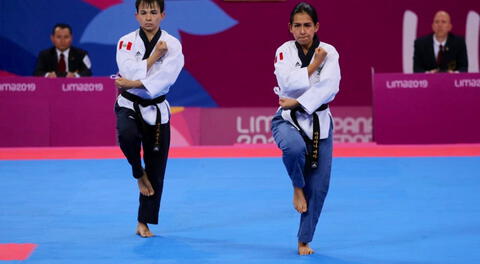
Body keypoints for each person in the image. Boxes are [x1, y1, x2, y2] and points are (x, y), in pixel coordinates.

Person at [271, 2, 340, 255]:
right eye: (297, 26)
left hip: (320, 123)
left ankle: (304, 240)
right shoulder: (283, 51)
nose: (302, 31)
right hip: (287, 119)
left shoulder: (329, 52)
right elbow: (286, 82)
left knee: (320, 186)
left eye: (307, 25)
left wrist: (298, 99)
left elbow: (329, 88)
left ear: (316, 26)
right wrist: (312, 68)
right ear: (290, 28)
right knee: (293, 147)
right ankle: (297, 188)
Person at [114, 0, 184, 238]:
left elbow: (166, 79)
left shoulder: (173, 44)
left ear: (162, 15)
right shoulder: (126, 41)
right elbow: (129, 69)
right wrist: (154, 57)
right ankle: (137, 171)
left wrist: (131, 82)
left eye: (153, 12)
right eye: (143, 13)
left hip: (156, 109)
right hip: (129, 104)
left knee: (156, 168)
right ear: (136, 16)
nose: (148, 17)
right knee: (126, 135)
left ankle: (143, 222)